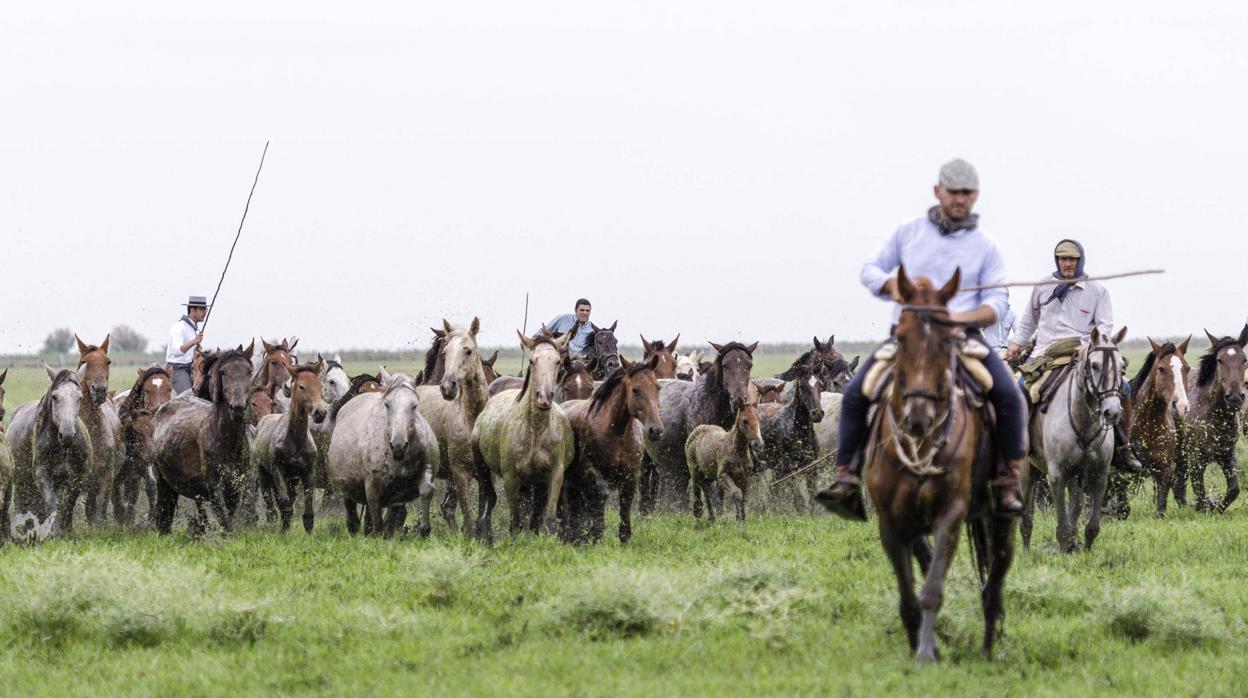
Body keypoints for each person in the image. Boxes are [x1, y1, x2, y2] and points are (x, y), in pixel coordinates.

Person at [819, 159, 1028, 517]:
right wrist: (894, 288)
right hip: (908, 338)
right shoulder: (908, 232)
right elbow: (870, 270)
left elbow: (995, 303)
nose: (960, 199)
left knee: (1009, 395)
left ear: (974, 196)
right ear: (938, 192)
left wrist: (959, 315)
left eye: (967, 193)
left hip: (962, 337)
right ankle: (847, 480)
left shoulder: (985, 246)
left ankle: (1006, 483)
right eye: (953, 191)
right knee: (854, 394)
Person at [1005, 240, 1143, 473]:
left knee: (1125, 388)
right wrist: (1016, 344)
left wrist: (1088, 345)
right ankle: (1019, 446)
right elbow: (1029, 321)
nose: (1067, 264)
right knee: (1020, 387)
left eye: (1072, 260)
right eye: (1063, 259)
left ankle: (1123, 447)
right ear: (1057, 260)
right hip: (1044, 354)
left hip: (1081, 355)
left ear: (1080, 261)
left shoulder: (1096, 291)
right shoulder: (1043, 287)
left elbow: (1105, 326)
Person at [166, 295, 207, 394]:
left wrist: (197, 348)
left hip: (188, 370)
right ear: (192, 310)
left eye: (205, 309)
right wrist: (193, 341)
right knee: (188, 400)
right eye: (201, 309)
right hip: (177, 370)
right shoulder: (179, 327)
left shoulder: (192, 328)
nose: (204, 313)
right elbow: (177, 351)